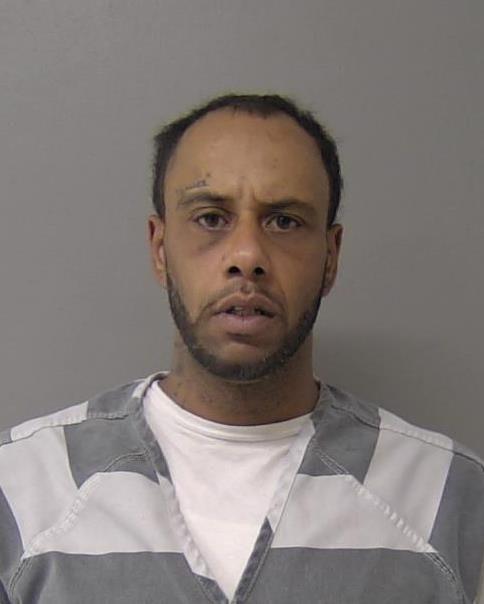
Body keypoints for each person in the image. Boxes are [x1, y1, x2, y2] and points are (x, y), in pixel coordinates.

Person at [0, 94, 483, 604]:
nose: (247, 255)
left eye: (284, 221)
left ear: (330, 256)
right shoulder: (21, 492)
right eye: (211, 218)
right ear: (160, 249)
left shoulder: (450, 500)